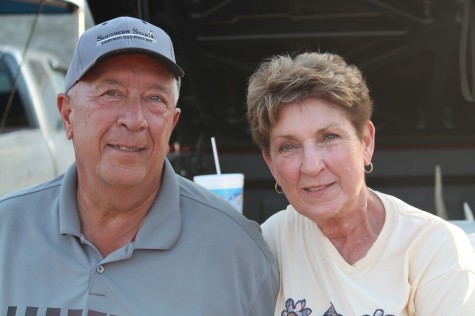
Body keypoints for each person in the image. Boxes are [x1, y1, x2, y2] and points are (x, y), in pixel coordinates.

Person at [0, 16, 278, 314]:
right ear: (67, 115)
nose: (134, 120)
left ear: (172, 124)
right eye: (111, 93)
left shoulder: (238, 253)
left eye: (155, 98)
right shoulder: (6, 232)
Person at [246, 51, 475, 315]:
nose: (311, 165)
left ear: (366, 142)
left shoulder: (434, 248)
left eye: (329, 137)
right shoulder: (267, 245)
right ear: (271, 164)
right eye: (288, 146)